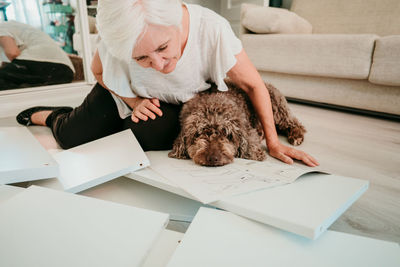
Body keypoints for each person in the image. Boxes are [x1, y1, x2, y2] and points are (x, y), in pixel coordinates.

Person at [16, 0, 319, 167]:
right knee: (71, 139)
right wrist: (133, 102)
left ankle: (109, 128)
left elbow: (255, 86)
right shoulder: (115, 35)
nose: (159, 66)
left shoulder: (212, 30)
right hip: (124, 92)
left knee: (150, 137)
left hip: (175, 102)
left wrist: (274, 141)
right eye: (142, 58)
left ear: (176, 23)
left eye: (162, 48)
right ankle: (54, 115)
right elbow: (98, 72)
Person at [0, 20, 74, 90]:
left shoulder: (1, 28)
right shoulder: (12, 26)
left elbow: (13, 53)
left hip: (52, 67)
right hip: (64, 72)